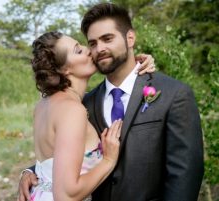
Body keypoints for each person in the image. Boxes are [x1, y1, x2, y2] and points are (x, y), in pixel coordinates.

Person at [20, 3, 204, 201]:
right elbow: (62, 157)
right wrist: (30, 172)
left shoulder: (173, 94)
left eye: (107, 39)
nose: (99, 49)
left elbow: (186, 174)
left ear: (130, 38)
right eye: (91, 43)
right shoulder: (84, 104)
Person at [22, 31, 155, 201]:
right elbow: (66, 195)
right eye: (78, 50)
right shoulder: (72, 110)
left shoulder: (44, 104)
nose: (87, 49)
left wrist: (132, 64)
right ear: (64, 70)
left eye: (82, 44)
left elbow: (51, 163)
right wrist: (108, 160)